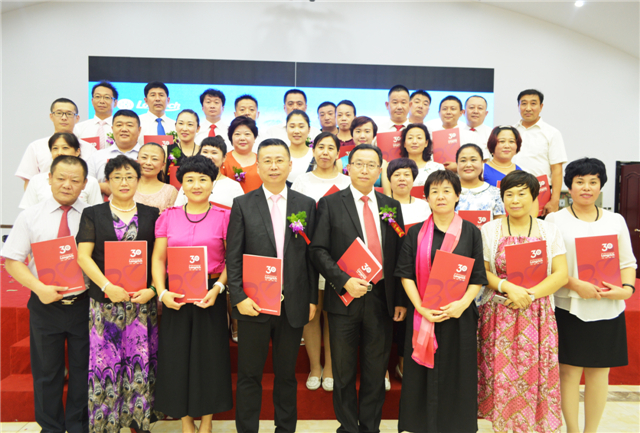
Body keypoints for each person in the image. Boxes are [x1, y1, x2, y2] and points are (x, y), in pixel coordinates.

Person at [310, 144, 407, 433]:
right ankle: (348, 427)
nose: (365, 170)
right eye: (359, 164)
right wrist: (344, 280)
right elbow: (317, 250)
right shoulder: (330, 203)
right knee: (342, 371)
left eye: (371, 165)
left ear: (379, 170)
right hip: (345, 298)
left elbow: (399, 254)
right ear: (348, 167)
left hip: (381, 298)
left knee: (376, 371)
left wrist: (400, 299)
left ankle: (370, 427)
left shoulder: (391, 206)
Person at [226, 139, 318, 433]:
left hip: (293, 303)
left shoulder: (305, 205)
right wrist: (238, 297)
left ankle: (285, 429)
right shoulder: (243, 204)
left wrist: (311, 298)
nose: (274, 166)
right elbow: (233, 256)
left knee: (286, 375)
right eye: (267, 160)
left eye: (279, 160)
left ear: (290, 165)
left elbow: (311, 256)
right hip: (253, 303)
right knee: (249, 375)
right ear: (258, 166)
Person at [546, 158, 637, 433]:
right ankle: (573, 430)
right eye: (580, 182)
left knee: (600, 373)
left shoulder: (615, 220)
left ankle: (591, 431)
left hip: (608, 307)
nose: (586, 187)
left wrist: (627, 289)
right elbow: (548, 266)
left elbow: (627, 262)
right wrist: (575, 285)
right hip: (568, 306)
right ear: (569, 186)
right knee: (569, 372)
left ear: (601, 186)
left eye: (593, 182)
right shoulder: (554, 220)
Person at [2, 155, 90, 433]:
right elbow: (12, 261)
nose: (67, 184)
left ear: (85, 184)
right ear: (49, 179)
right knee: (47, 372)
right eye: (61, 178)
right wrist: (39, 288)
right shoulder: (30, 216)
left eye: (75, 180)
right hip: (44, 304)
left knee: (83, 370)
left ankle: (79, 426)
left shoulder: (93, 215)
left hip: (85, 304)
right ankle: (50, 428)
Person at [395, 169, 487, 433]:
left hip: (459, 317)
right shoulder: (415, 233)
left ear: (457, 196)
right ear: (426, 198)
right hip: (423, 315)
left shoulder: (471, 232)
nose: (440, 196)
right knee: (421, 375)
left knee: (458, 373)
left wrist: (461, 305)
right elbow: (406, 275)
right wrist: (421, 308)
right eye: (434, 191)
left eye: (447, 190)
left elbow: (477, 277)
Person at [477, 170, 568, 433]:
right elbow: (483, 271)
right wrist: (508, 288)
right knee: (501, 379)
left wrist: (529, 295)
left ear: (534, 196)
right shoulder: (490, 230)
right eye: (509, 194)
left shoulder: (549, 230)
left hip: (537, 314)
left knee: (534, 377)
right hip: (499, 314)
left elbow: (561, 274)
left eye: (521, 194)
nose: (515, 200)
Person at [76, 155, 160, 433]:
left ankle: (139, 422)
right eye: (117, 177)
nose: (124, 182)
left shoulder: (152, 214)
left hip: (141, 303)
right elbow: (83, 256)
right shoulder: (93, 214)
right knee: (106, 365)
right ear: (108, 181)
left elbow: (159, 258)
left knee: (140, 363)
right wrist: (106, 286)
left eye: (129, 177)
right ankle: (105, 424)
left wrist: (152, 289)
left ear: (138, 180)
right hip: (105, 304)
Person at [152, 155, 233, 433]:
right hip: (175, 296)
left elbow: (231, 259)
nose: (196, 185)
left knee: (210, 358)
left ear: (212, 184)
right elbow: (158, 258)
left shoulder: (224, 217)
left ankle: (206, 421)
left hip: (210, 295)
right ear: (181, 185)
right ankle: (186, 422)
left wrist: (219, 288)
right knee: (177, 358)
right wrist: (162, 292)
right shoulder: (168, 217)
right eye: (190, 180)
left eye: (203, 179)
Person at [291, 132, 351, 392]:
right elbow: (294, 218)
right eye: (320, 147)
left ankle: (330, 367)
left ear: (338, 153)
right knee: (311, 311)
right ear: (313, 150)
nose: (325, 152)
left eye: (330, 148)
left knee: (332, 313)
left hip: (338, 257)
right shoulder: (301, 181)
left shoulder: (347, 181)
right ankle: (315, 366)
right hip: (307, 255)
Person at [16, 97, 97, 189]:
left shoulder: (89, 148)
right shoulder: (36, 147)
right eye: (59, 113)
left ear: (77, 118)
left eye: (69, 114)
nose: (64, 118)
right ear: (51, 116)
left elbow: (91, 183)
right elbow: (29, 182)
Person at [513, 89, 567, 216]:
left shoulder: (552, 133)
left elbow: (557, 169)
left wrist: (555, 200)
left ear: (541, 107)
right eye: (524, 103)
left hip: (541, 192)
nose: (528, 108)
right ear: (518, 106)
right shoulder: (510, 131)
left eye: (533, 103)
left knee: (538, 228)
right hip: (512, 190)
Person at [20, 133, 102, 209]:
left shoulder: (91, 182)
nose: (59, 152)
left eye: (65, 148)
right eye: (55, 148)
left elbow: (97, 213)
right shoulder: (36, 180)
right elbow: (28, 212)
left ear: (77, 151)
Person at [174, 136, 244, 209]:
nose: (209, 156)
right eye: (205, 152)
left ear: (224, 158)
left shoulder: (234, 186)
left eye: (214, 153)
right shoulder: (189, 183)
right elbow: (178, 209)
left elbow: (241, 212)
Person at [89, 109, 142, 196]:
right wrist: (103, 187)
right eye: (119, 125)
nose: (124, 129)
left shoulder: (147, 158)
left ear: (139, 130)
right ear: (112, 129)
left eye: (129, 125)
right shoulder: (97, 156)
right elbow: (86, 186)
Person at [339, 116, 391, 194]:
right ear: (352, 135)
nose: (362, 136)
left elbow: (387, 194)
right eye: (358, 131)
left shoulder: (383, 164)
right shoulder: (340, 162)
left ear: (374, 135)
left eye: (367, 131)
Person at [456, 143, 505, 220]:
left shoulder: (496, 193)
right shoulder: (447, 192)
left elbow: (500, 223)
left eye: (473, 160)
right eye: (463, 160)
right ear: (457, 164)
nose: (468, 165)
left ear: (482, 163)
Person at [393, 123, 444, 191]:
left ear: (426, 143)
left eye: (419, 138)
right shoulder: (394, 167)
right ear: (404, 143)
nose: (414, 141)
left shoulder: (437, 168)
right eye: (410, 138)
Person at [219, 116, 262, 193]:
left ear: (254, 137)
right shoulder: (223, 161)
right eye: (237, 134)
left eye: (247, 134)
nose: (242, 138)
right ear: (231, 137)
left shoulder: (262, 160)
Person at [386, 158, 431, 227]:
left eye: (406, 175)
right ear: (390, 179)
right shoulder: (382, 204)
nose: (402, 179)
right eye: (397, 175)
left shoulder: (423, 206)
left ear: (413, 179)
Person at [134, 143, 178, 212]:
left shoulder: (170, 191)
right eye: (144, 157)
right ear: (137, 160)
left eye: (154, 159)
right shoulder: (126, 185)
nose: (148, 163)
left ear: (163, 165)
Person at [74, 81, 118, 149]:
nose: (102, 101)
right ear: (92, 101)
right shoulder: (79, 128)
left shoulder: (120, 129)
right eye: (97, 97)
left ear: (115, 103)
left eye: (107, 97)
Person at [165, 109, 201, 185]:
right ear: (175, 126)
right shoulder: (166, 150)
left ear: (198, 128)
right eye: (181, 123)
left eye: (190, 124)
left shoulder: (203, 152)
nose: (184, 129)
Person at [286, 109, 314, 184]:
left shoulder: (316, 155)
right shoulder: (279, 155)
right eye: (292, 126)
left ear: (309, 129)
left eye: (301, 127)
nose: (296, 131)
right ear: (286, 129)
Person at [460, 95, 491, 159]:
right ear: (464, 112)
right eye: (471, 107)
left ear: (486, 113)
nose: (475, 111)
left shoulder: (492, 134)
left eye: (480, 108)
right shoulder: (456, 134)